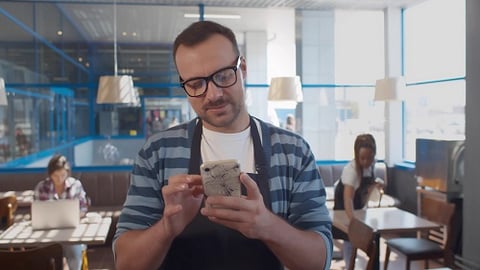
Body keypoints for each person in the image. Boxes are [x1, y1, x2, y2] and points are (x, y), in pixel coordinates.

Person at [113, 20, 333, 270]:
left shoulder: (292, 151)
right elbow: (125, 263)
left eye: (223, 76)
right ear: (185, 87)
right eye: (196, 84)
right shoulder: (157, 152)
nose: (213, 94)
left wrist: (267, 226)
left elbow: (319, 260)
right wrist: (167, 228)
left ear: (243, 69)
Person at [333, 133, 384, 269]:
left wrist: (376, 184)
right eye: (363, 158)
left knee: (372, 239)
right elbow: (348, 198)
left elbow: (366, 190)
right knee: (350, 240)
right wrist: (354, 222)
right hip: (343, 212)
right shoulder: (351, 171)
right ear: (356, 155)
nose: (366, 162)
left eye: (370, 158)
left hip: (359, 211)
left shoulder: (371, 166)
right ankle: (350, 266)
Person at [34, 155, 89, 270]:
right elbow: (36, 212)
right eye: (56, 176)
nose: (59, 179)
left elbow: (83, 208)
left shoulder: (76, 185)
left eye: (63, 175)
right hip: (47, 233)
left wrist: (76, 215)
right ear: (50, 174)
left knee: (74, 255)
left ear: (67, 173)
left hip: (71, 232)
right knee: (41, 256)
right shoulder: (41, 187)